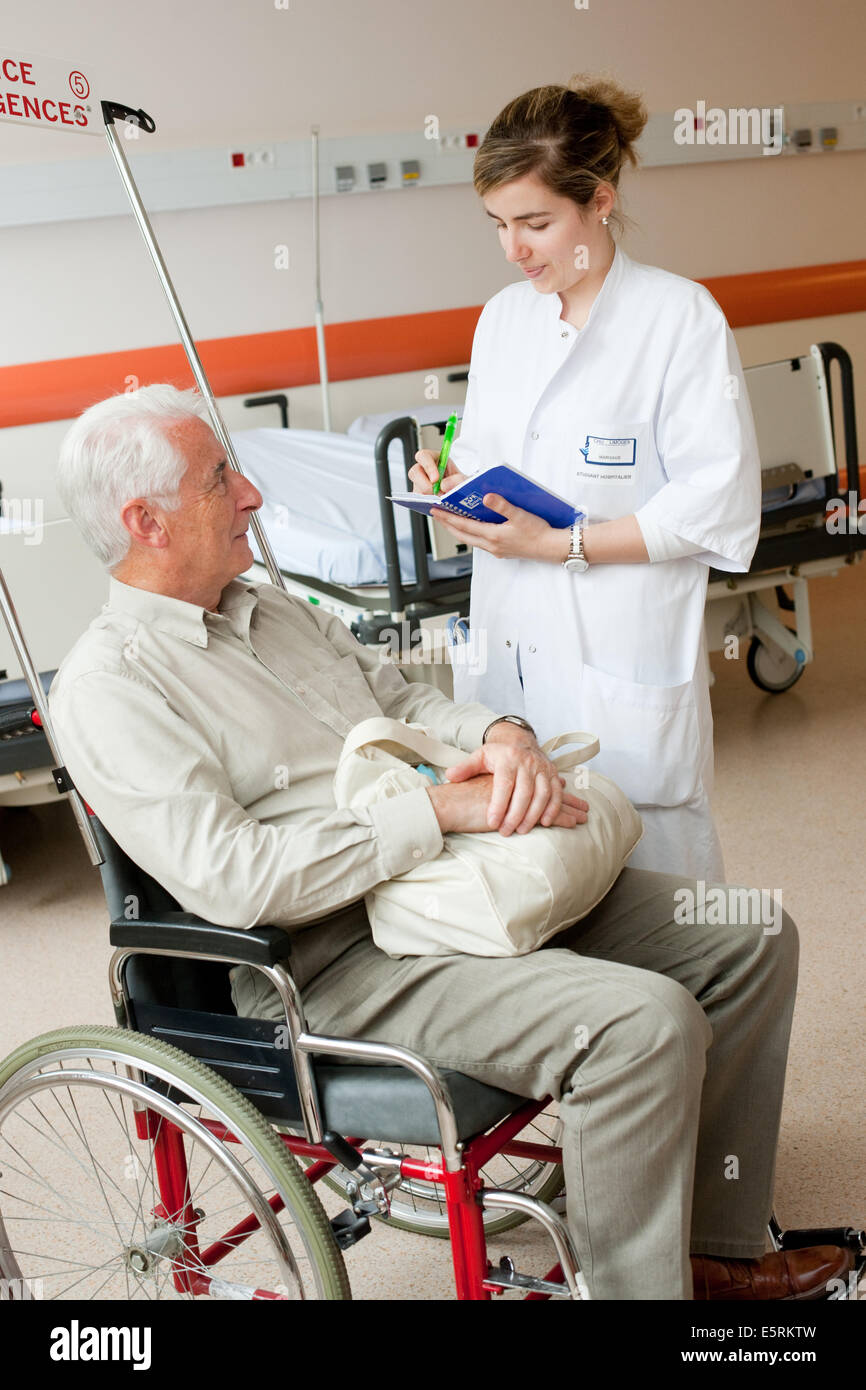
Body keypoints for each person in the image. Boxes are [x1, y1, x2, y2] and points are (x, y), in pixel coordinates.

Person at [48, 385, 848, 1302]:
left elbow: (407, 705)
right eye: (219, 478)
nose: (252, 496)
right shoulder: (111, 688)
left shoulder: (274, 608)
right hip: (332, 960)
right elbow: (237, 879)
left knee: (751, 935)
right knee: (643, 1025)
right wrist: (435, 816)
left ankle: (706, 1255)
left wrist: (498, 736)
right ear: (144, 521)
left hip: (463, 883)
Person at [411, 75, 762, 883]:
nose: (513, 248)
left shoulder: (679, 320)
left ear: (599, 201)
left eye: (535, 222)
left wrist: (560, 543)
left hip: (622, 669)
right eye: (498, 224)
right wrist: (448, 477)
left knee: (667, 921)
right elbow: (496, 462)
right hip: (512, 664)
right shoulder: (503, 319)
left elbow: (713, 507)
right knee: (536, 902)